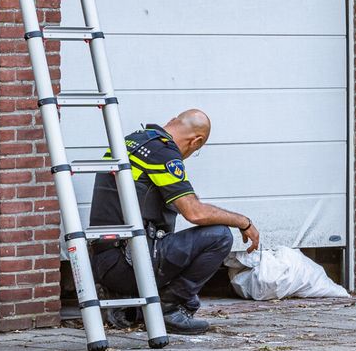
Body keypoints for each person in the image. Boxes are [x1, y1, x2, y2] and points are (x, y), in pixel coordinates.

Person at [88, 109, 260, 335]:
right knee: (219, 236)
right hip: (128, 263)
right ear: (196, 141)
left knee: (188, 289)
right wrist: (244, 222)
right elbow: (194, 212)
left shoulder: (132, 141)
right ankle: (168, 309)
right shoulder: (163, 153)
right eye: (195, 151)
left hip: (104, 259)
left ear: (171, 122)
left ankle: (128, 302)